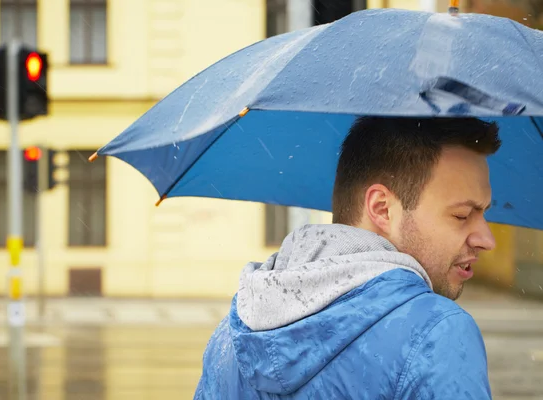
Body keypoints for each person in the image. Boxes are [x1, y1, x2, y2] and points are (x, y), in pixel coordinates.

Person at [194, 116, 500, 399]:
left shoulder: (232, 336)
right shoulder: (437, 333)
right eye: (462, 215)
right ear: (382, 208)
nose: (487, 240)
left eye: (484, 214)